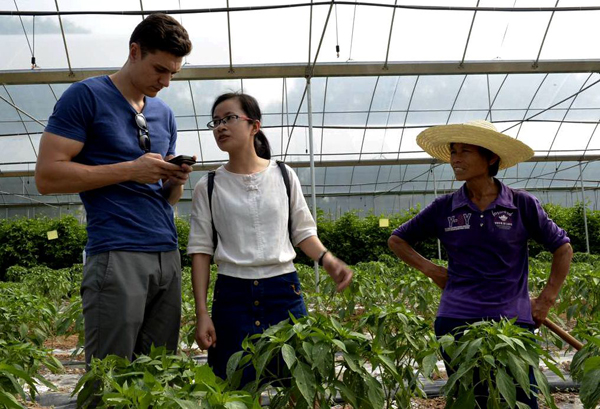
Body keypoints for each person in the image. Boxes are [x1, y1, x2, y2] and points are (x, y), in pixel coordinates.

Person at [35, 13, 193, 366]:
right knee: (110, 377)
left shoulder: (164, 114)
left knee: (159, 376)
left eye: (173, 73)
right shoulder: (86, 97)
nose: (166, 81)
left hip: (166, 253)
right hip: (117, 252)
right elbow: (47, 176)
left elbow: (165, 199)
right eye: (159, 69)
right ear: (134, 51)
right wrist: (131, 170)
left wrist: (172, 181)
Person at [388, 120, 573, 408]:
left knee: (522, 399)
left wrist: (546, 299)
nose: (456, 159)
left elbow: (562, 248)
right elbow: (397, 240)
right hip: (457, 320)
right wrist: (432, 270)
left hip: (511, 323)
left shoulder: (521, 204)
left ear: (491, 158)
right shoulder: (445, 207)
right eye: (453, 152)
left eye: (465, 151)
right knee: (471, 400)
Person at [187, 92, 353, 386]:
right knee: (235, 387)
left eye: (229, 118)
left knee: (298, 385)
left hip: (283, 291)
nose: (220, 127)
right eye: (215, 122)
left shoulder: (283, 175)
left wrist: (328, 260)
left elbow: (303, 232)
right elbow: (200, 251)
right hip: (232, 296)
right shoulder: (209, 185)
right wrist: (202, 313)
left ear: (254, 126)